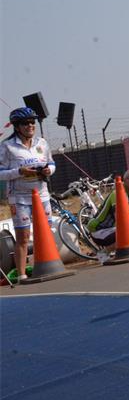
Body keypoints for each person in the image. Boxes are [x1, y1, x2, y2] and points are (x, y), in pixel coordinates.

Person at [0, 107, 55, 281]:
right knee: (23, 237)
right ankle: (21, 275)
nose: (30, 125)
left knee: (45, 233)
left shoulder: (42, 143)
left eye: (32, 122)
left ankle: (44, 266)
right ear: (17, 127)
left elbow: (52, 163)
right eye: (25, 123)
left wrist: (49, 170)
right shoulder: (7, 146)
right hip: (19, 198)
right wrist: (19, 172)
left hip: (42, 195)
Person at [86, 169, 129, 263]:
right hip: (100, 230)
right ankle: (104, 252)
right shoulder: (118, 194)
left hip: (115, 228)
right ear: (125, 181)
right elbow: (120, 220)